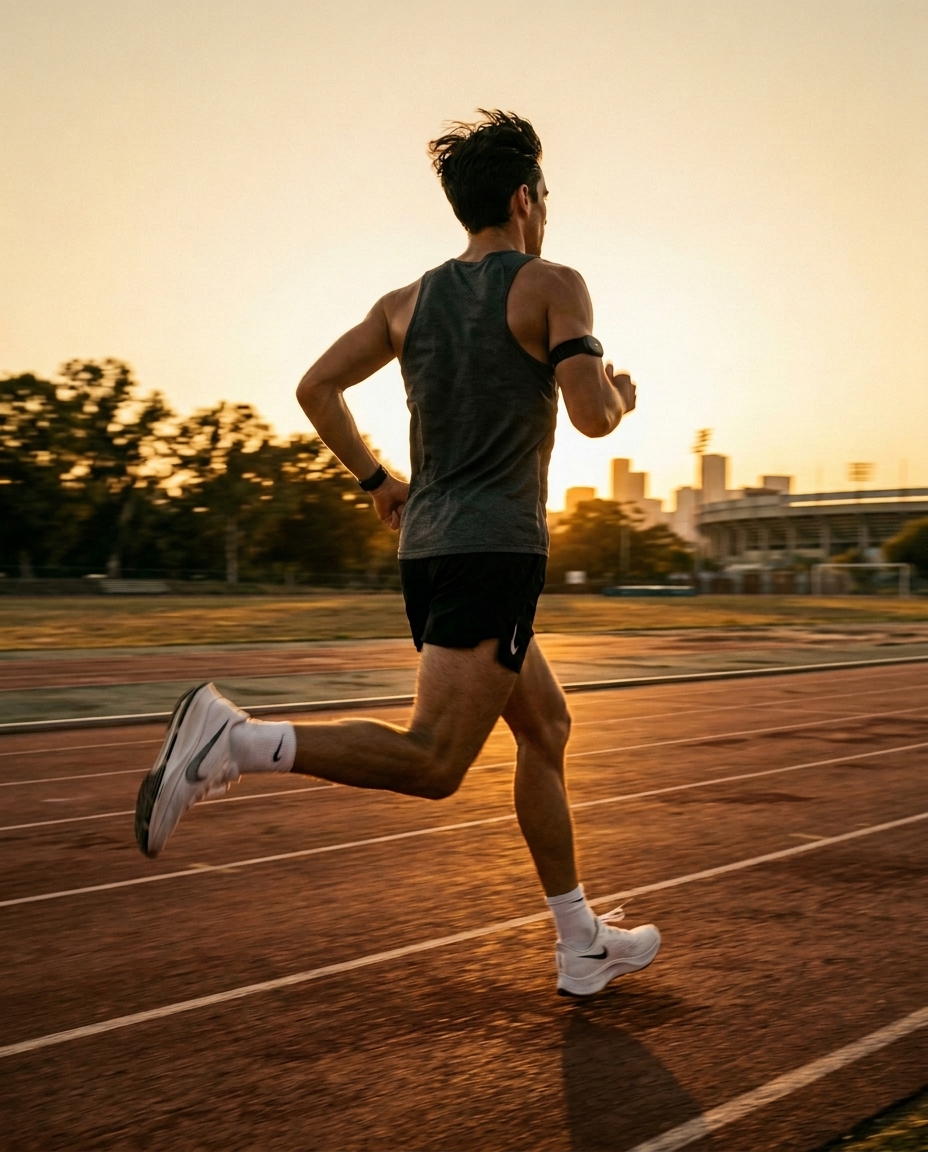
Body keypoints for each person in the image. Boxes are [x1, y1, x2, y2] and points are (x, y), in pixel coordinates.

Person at [134, 110, 660, 997]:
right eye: (545, 195)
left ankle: (581, 941)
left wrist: (379, 480)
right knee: (434, 763)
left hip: (430, 550)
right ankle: (237, 739)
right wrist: (618, 391)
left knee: (548, 727)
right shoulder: (553, 284)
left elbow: (316, 388)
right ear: (526, 196)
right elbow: (590, 415)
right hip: (494, 552)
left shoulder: (405, 303)